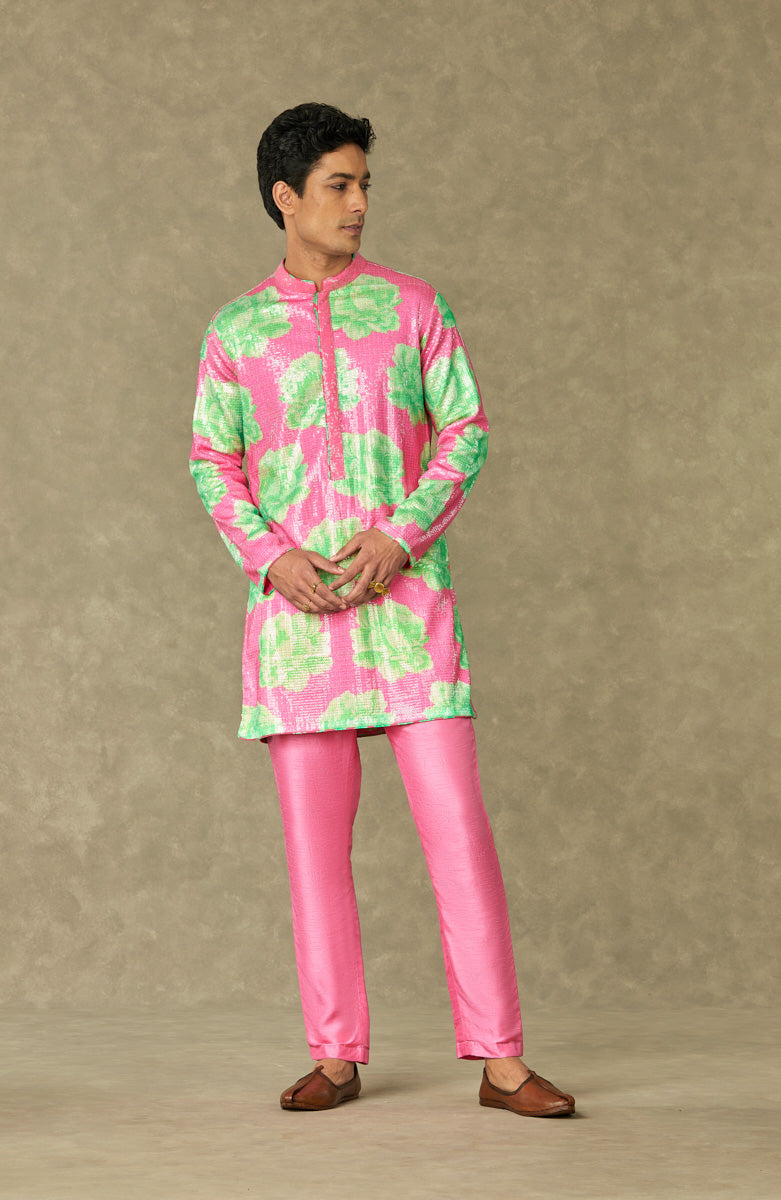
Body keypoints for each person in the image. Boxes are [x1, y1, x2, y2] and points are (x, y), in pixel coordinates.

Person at [190, 102, 574, 1117]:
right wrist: (271, 559)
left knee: (458, 835)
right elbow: (212, 463)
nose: (359, 202)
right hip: (297, 625)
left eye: (364, 184)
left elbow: (466, 431)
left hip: (408, 615)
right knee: (314, 854)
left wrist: (401, 535)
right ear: (286, 197)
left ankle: (501, 1060)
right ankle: (334, 1053)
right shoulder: (236, 332)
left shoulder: (411, 309)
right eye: (338, 185)